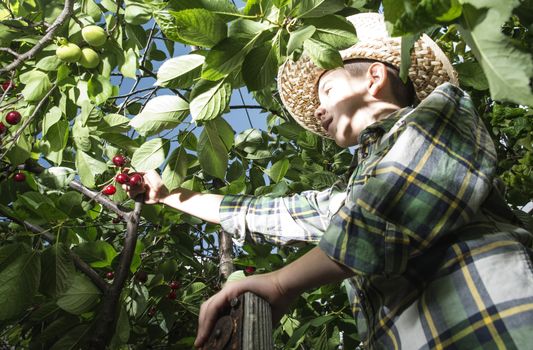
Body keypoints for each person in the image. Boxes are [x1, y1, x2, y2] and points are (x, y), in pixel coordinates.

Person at [126, 13, 533, 350]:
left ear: (374, 78)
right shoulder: (357, 192)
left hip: (496, 325)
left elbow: (400, 203)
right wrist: (169, 196)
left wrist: (284, 281)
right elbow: (271, 213)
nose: (319, 110)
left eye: (327, 90)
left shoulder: (442, 110)